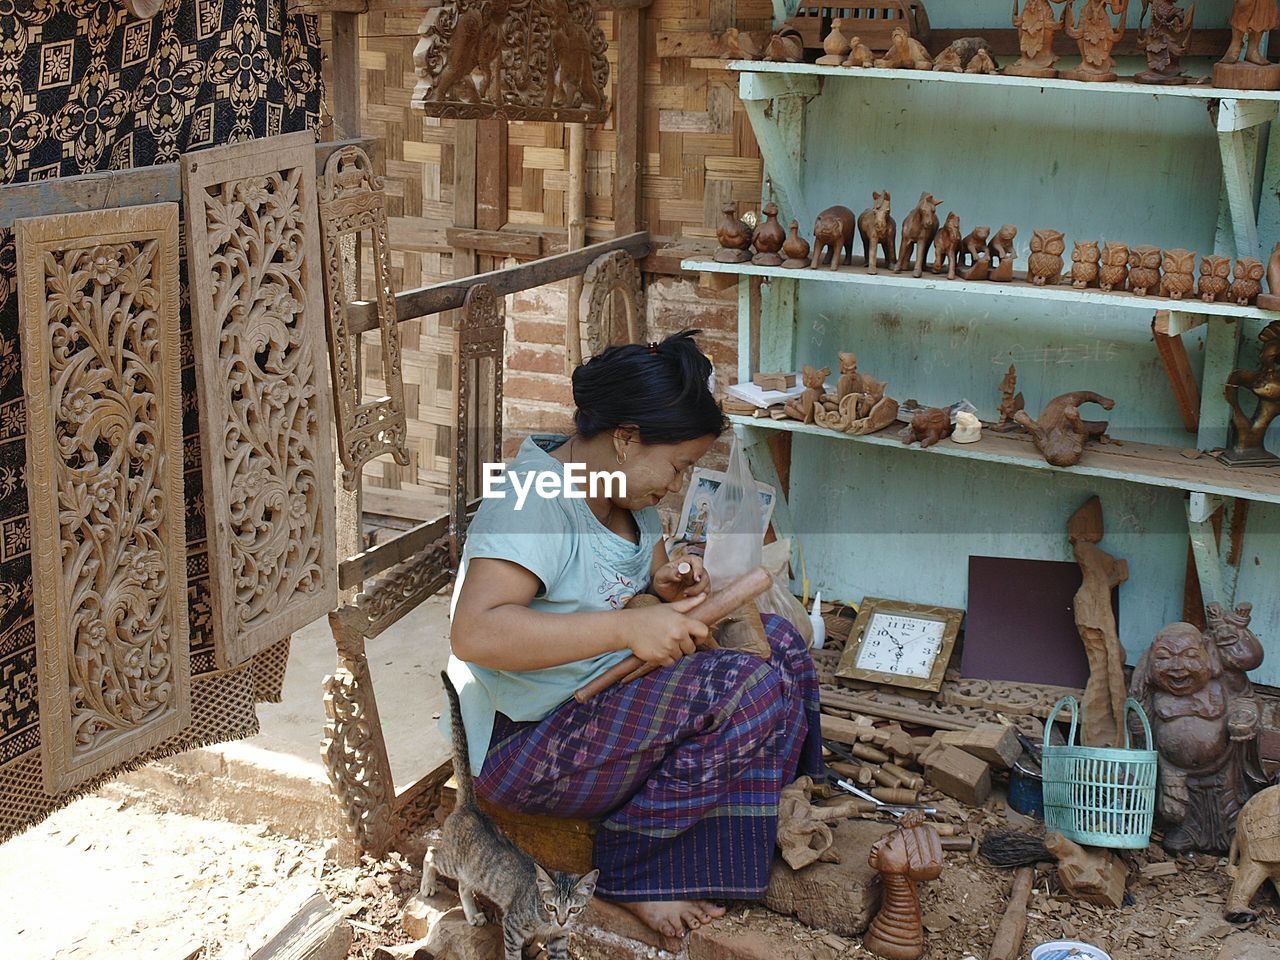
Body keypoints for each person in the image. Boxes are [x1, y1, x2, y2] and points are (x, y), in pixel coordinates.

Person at [445, 329, 824, 939]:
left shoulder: (625, 494)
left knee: (780, 646)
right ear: (625, 438)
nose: (677, 484)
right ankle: (637, 873)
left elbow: (635, 582)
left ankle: (750, 819)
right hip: (526, 742)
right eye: (677, 466)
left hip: (597, 702)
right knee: (746, 688)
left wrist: (669, 585)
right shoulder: (532, 502)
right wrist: (630, 624)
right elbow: (476, 633)